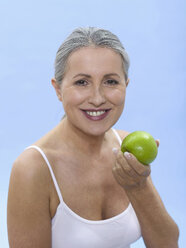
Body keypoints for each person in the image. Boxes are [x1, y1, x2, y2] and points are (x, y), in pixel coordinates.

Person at [7, 27, 179, 248]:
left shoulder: (127, 151)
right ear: (58, 89)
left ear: (126, 85)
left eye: (110, 82)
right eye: (82, 82)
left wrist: (138, 186)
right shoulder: (33, 168)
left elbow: (167, 244)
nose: (97, 99)